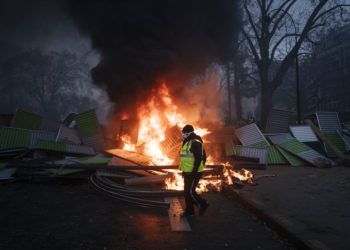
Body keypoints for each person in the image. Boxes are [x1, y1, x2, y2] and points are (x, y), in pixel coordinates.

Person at [179, 124, 209, 217]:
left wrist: (194, 171)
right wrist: (184, 171)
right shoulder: (187, 141)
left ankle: (192, 210)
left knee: (189, 192)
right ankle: (199, 205)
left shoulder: (195, 142)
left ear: (189, 133)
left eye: (184, 133)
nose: (183, 134)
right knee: (188, 192)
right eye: (182, 133)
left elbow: (200, 157)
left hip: (193, 172)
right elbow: (185, 158)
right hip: (187, 171)